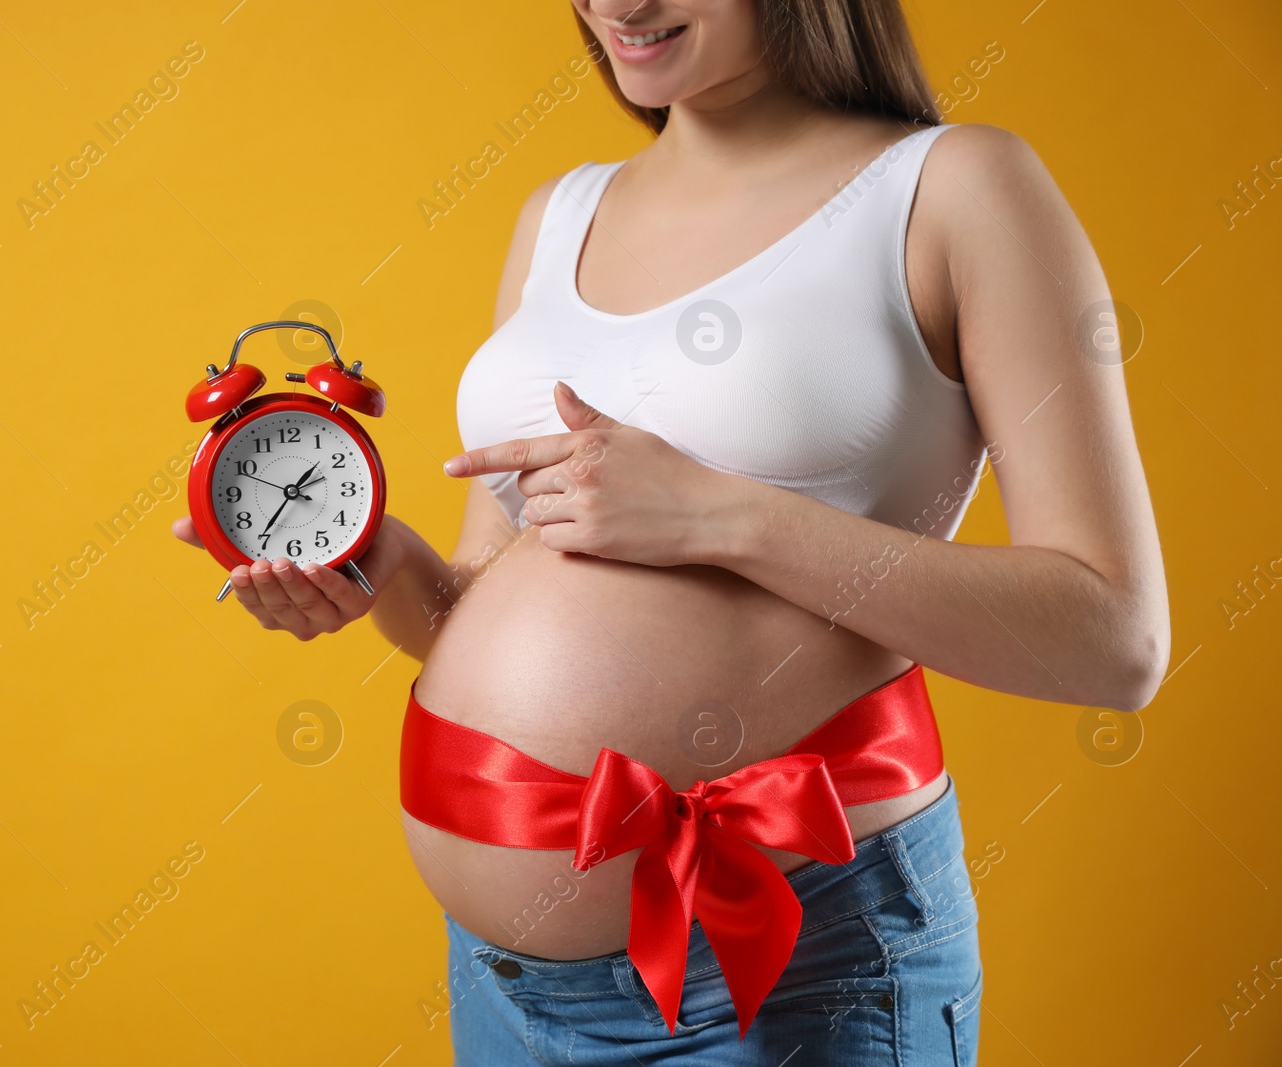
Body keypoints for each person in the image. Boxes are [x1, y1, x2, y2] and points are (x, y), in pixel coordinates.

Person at [174, 0, 1170, 1060]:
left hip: (790, 967)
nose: (621, 4)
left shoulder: (955, 187)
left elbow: (1112, 638)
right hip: (498, 982)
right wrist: (382, 571)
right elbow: (477, 597)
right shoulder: (560, 213)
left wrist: (721, 514)